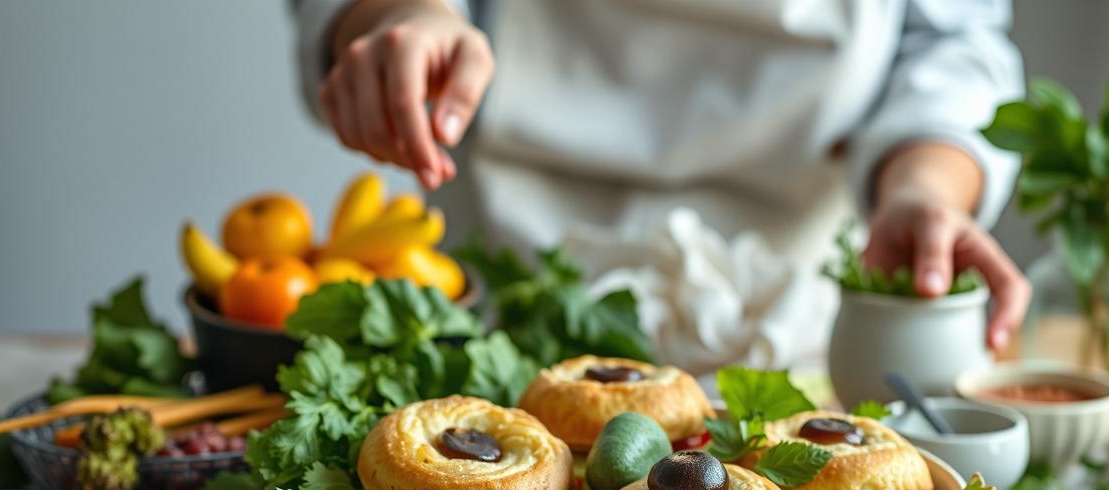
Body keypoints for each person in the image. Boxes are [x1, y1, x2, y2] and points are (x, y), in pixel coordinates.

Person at [294, 0, 1031, 354]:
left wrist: (926, 189)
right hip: (501, 313)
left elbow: (949, 42)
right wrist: (398, 21)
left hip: (793, 327)